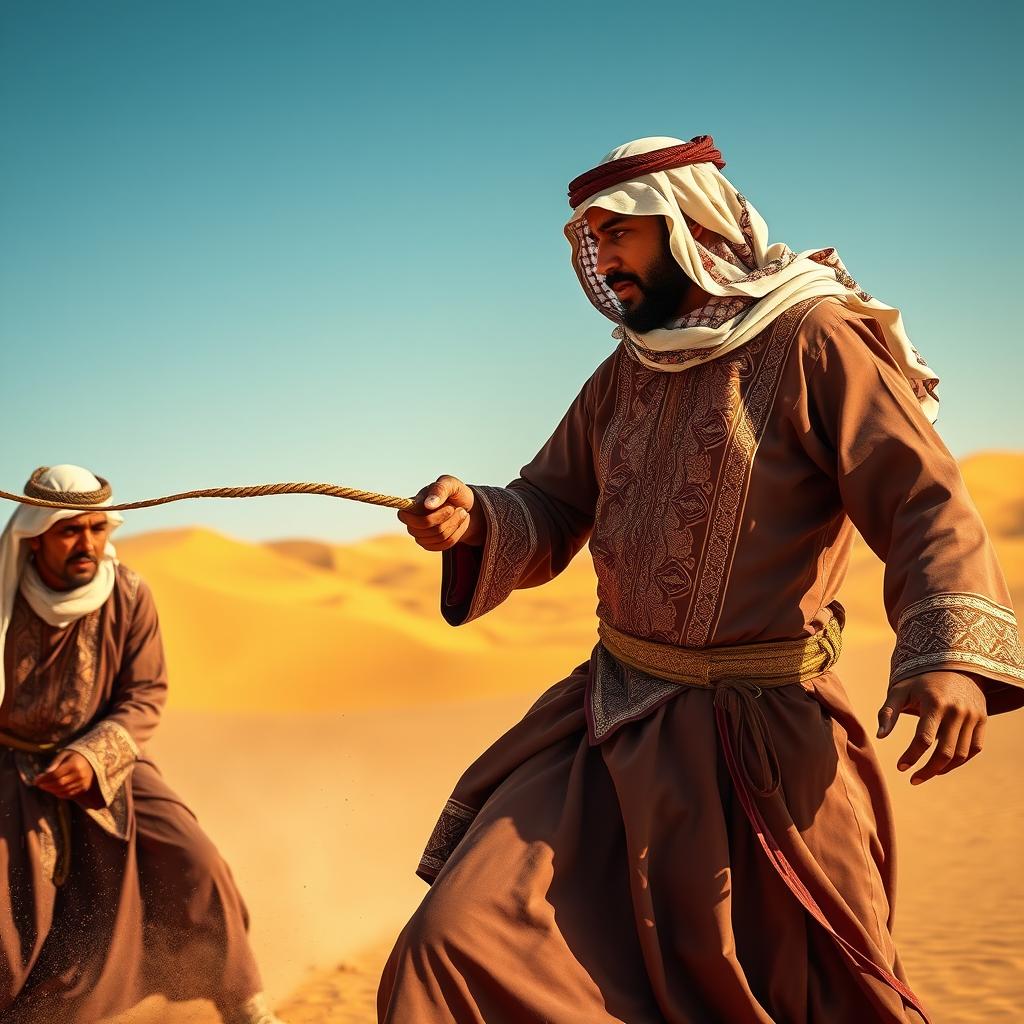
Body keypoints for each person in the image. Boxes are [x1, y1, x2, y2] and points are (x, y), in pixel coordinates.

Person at [379, 136, 1024, 1023]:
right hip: (609, 724)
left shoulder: (817, 337)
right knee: (452, 944)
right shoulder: (625, 372)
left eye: (617, 233)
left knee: (825, 999)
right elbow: (549, 503)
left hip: (766, 743)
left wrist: (950, 656)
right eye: (590, 238)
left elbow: (923, 499)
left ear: (687, 224)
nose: (600, 257)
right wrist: (476, 518)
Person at [0, 465, 284, 1024]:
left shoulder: (129, 594)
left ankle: (241, 1001)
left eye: (98, 528)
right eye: (69, 531)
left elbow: (146, 691)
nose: (88, 543)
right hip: (13, 763)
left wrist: (92, 756)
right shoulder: (3, 598)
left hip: (110, 760)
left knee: (194, 858)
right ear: (35, 535)